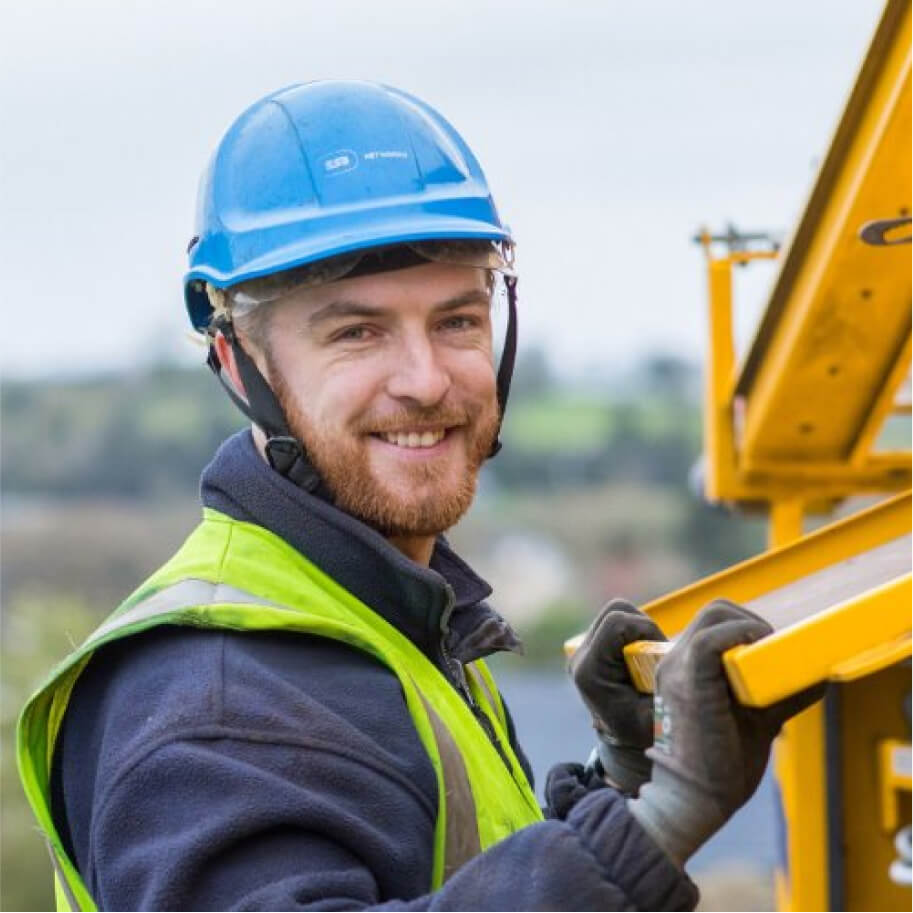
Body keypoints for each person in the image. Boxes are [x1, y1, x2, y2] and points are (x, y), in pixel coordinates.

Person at [18, 81, 821, 912]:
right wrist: (659, 822)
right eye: (355, 332)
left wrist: (620, 783)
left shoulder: (379, 621)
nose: (426, 379)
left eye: (457, 321)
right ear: (236, 360)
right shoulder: (216, 705)